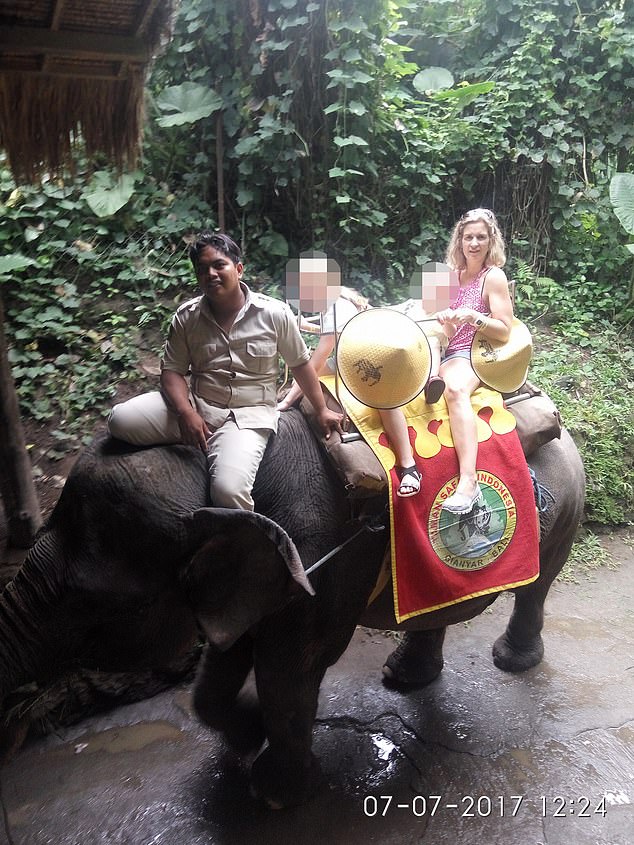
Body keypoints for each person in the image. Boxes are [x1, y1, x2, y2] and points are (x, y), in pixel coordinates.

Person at [108, 232, 343, 511]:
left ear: (238, 269)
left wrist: (321, 409)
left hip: (248, 416)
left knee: (228, 491)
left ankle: (250, 546)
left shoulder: (274, 314)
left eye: (219, 265)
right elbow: (172, 371)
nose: (211, 274)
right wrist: (186, 412)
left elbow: (301, 365)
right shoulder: (187, 317)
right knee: (120, 420)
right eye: (202, 269)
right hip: (200, 404)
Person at [436, 208, 513, 514]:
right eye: (469, 237)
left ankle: (469, 481)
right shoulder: (450, 276)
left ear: (490, 240)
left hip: (474, 354)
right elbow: (446, 329)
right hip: (444, 350)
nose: (474, 243)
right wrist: (445, 319)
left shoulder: (492, 277)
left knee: (454, 389)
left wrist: (475, 317)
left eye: (481, 237)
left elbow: (505, 330)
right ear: (460, 240)